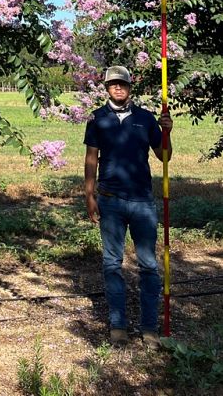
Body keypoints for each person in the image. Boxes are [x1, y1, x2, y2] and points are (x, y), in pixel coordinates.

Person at [83, 65, 173, 347]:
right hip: (110, 200)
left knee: (148, 265)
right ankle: (118, 326)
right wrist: (89, 194)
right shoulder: (97, 119)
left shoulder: (146, 119)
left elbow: (165, 158)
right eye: (113, 84)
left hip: (142, 202)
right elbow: (91, 157)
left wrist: (167, 132)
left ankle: (149, 329)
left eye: (122, 83)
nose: (118, 88)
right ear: (107, 87)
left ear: (130, 87)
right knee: (112, 263)